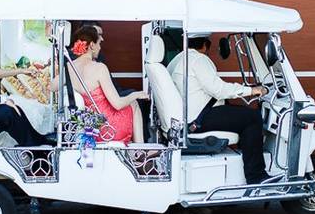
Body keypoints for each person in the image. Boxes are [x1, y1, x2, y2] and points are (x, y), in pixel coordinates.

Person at [168, 33, 270, 184]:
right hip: (197, 121)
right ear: (204, 45)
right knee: (252, 117)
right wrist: (252, 90)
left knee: (240, 113)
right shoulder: (198, 59)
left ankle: (247, 162)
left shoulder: (176, 60)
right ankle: (256, 175)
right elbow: (218, 89)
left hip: (187, 117)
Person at [66, 25, 149, 143]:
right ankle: (139, 151)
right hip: (107, 129)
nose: (100, 48)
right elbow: (118, 104)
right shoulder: (99, 68)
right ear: (91, 45)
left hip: (88, 128)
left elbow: (52, 86)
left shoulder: (68, 68)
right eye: (99, 43)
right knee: (134, 104)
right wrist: (136, 94)